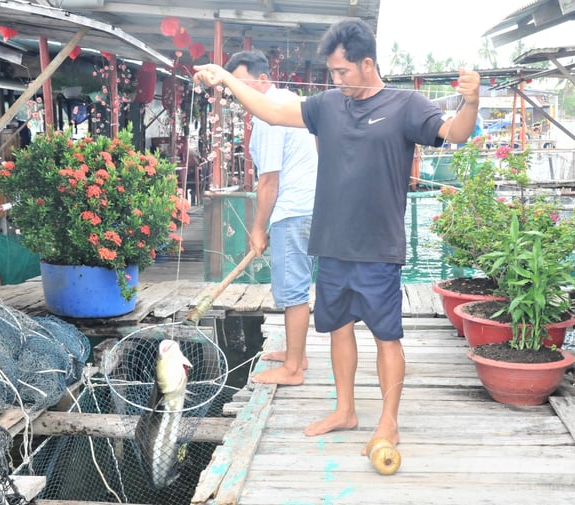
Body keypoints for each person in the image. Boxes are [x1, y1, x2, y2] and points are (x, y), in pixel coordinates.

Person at [194, 19, 480, 454]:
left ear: (367, 64)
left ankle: (388, 422)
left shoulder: (407, 105)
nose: (336, 80)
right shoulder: (327, 105)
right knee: (337, 328)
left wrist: (471, 101)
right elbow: (271, 111)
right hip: (330, 244)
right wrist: (229, 78)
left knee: (387, 336)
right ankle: (344, 409)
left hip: (378, 246)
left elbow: (454, 132)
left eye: (343, 72)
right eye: (332, 73)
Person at [224, 50, 317, 386]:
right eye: (232, 87)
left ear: (263, 80)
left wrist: (258, 228)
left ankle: (293, 369)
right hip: (307, 205)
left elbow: (269, 180)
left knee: (292, 289)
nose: (237, 93)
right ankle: (298, 354)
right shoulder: (288, 100)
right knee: (296, 283)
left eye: (241, 83)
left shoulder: (269, 112)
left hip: (293, 208)